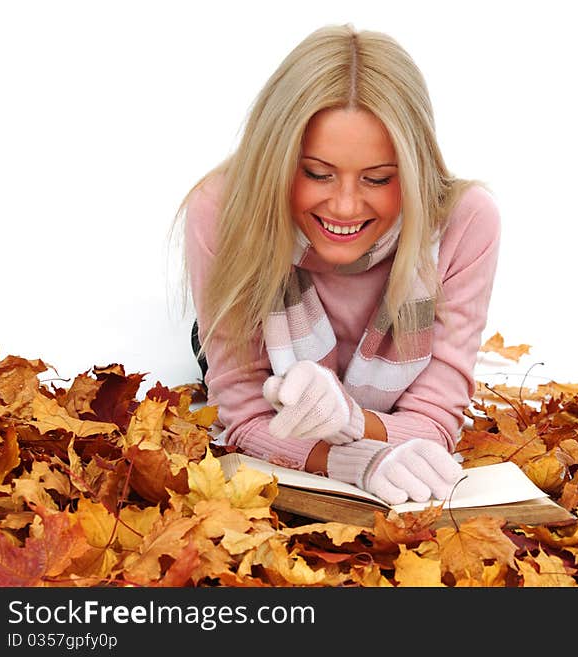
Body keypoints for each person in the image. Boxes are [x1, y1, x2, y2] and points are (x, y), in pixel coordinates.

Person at [177, 24, 501, 506]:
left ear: (413, 170)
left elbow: (433, 421)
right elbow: (245, 419)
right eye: (316, 173)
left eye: (377, 178)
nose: (346, 207)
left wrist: (350, 422)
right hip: (264, 351)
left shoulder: (464, 222)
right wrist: (356, 460)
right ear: (276, 162)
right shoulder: (222, 211)